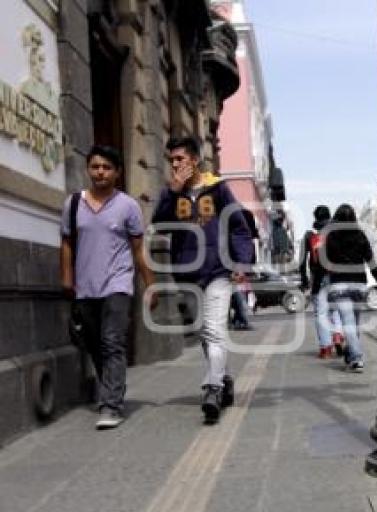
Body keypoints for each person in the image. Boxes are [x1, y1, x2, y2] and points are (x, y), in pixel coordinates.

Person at [152, 136, 254, 423]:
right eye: (171, 160)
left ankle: (212, 388)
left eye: (180, 159)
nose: (175, 164)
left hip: (218, 270)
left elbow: (239, 227)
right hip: (186, 273)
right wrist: (172, 192)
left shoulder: (218, 188)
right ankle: (224, 379)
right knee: (205, 334)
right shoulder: (172, 193)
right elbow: (159, 224)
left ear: (194, 159)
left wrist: (241, 262)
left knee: (214, 330)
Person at [60, 145, 157, 430]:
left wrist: (150, 286)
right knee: (93, 344)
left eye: (106, 167)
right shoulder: (73, 204)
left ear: (117, 172)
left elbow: (139, 250)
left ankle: (110, 404)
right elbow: (66, 242)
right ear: (88, 169)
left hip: (118, 284)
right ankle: (111, 389)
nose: (100, 172)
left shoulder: (128, 206)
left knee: (112, 342)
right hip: (85, 286)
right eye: (95, 167)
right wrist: (66, 276)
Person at [324, 204, 377, 372]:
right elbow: (371, 262)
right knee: (355, 324)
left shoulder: (331, 237)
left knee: (348, 323)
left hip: (339, 284)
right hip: (358, 285)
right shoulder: (360, 236)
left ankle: (357, 358)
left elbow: (326, 262)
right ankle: (352, 354)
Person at [299, 205, 344, 358]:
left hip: (318, 278)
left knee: (321, 313)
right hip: (336, 276)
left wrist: (304, 279)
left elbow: (302, 261)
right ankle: (338, 334)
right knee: (336, 308)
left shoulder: (309, 236)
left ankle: (325, 348)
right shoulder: (336, 233)